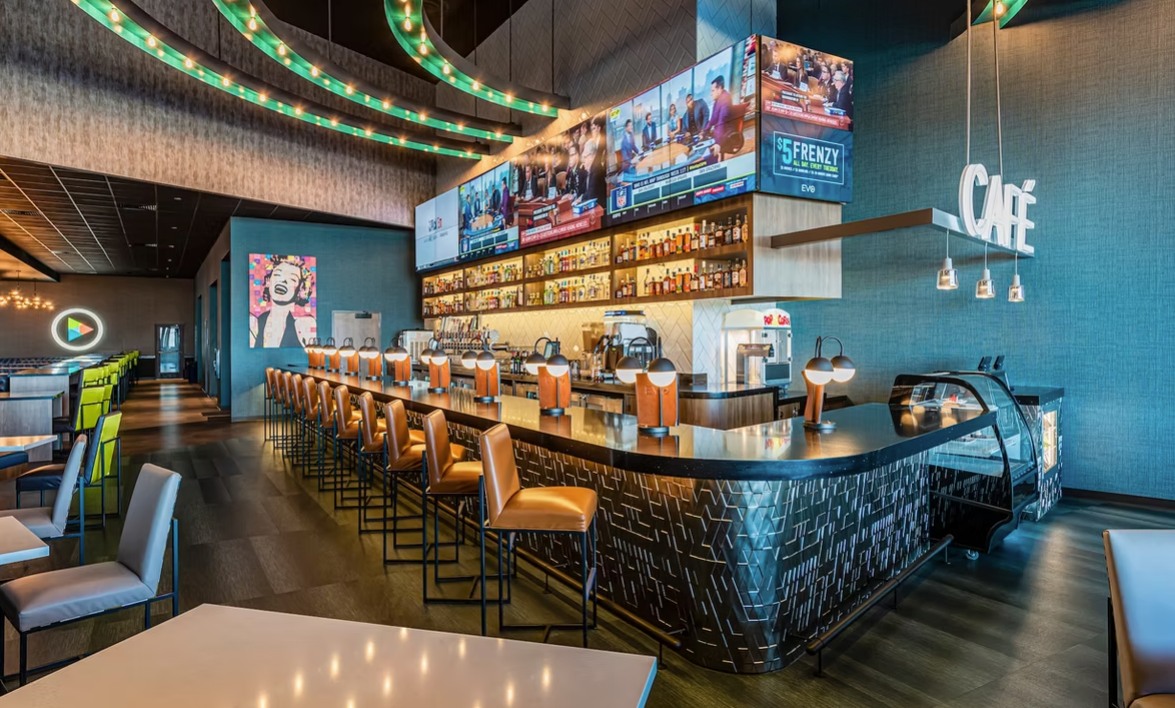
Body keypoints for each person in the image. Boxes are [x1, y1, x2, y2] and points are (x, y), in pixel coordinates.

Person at [249, 255, 315, 349]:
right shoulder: (253, 324)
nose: (283, 281)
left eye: (292, 279)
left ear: (300, 290)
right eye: (277, 275)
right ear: (268, 281)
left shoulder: (304, 325)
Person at [704, 75, 733, 148]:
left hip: (725, 135)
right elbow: (713, 120)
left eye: (713, 90)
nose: (711, 94)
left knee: (707, 151)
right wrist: (704, 132)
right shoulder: (717, 101)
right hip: (718, 133)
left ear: (719, 88)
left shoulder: (725, 99)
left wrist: (718, 143)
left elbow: (721, 121)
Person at [580, 139, 605, 205]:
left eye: (585, 157)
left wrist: (581, 198)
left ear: (592, 155)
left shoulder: (597, 169)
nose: (584, 161)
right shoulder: (589, 169)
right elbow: (582, 189)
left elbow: (591, 194)